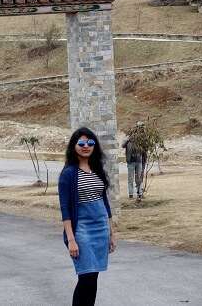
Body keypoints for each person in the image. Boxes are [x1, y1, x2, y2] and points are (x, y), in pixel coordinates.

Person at [58, 127, 116, 306]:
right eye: (81, 143)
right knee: (85, 277)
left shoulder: (97, 169)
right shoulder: (68, 174)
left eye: (90, 143)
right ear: (74, 146)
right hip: (81, 230)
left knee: (94, 277)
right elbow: (65, 208)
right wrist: (71, 239)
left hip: (100, 228)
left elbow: (104, 202)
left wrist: (111, 233)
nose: (86, 146)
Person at [122, 132, 146, 199]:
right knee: (130, 178)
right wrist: (127, 140)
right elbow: (122, 145)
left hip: (139, 161)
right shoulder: (128, 141)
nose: (134, 135)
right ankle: (131, 194)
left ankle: (139, 193)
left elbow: (143, 150)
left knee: (138, 178)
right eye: (132, 134)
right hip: (130, 162)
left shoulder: (139, 141)